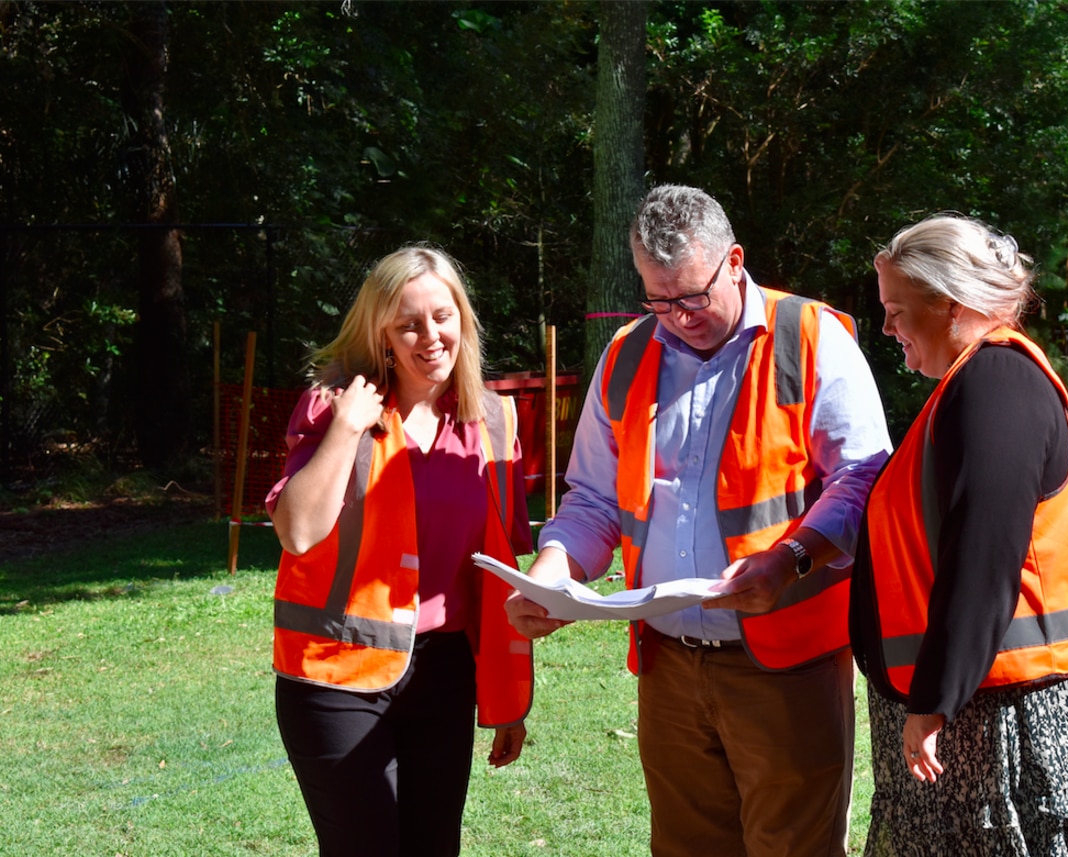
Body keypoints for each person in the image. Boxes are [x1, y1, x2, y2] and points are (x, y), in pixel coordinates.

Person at [506, 184, 892, 857]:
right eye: (657, 300)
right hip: (669, 671)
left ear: (734, 260)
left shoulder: (809, 338)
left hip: (786, 665)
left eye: (691, 297)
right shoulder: (626, 356)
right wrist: (551, 573)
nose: (677, 317)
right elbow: (593, 499)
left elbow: (863, 478)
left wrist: (789, 558)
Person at [850, 214, 1068, 856]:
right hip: (988, 710)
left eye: (896, 310)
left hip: (1018, 722)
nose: (886, 329)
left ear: (951, 303)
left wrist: (935, 697)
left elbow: (984, 551)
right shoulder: (973, 386)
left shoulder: (996, 384)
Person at [266, 244, 534, 857]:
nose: (430, 336)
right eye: (408, 323)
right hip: (335, 677)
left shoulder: (491, 420)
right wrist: (345, 427)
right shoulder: (335, 406)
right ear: (381, 334)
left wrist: (503, 695)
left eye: (443, 316)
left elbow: (492, 572)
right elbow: (298, 532)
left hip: (443, 676)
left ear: (463, 319)